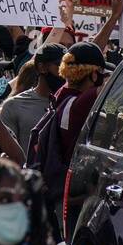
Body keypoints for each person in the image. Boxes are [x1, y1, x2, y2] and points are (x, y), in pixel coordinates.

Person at [27, 41, 108, 220]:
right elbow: (118, 84)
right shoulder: (81, 103)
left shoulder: (62, 96)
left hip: (59, 192)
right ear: (95, 75)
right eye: (101, 73)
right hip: (71, 197)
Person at [0, 44, 64, 156]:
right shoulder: (14, 105)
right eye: (59, 66)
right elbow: (7, 153)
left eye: (69, 66)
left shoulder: (71, 102)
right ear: (41, 67)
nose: (64, 72)